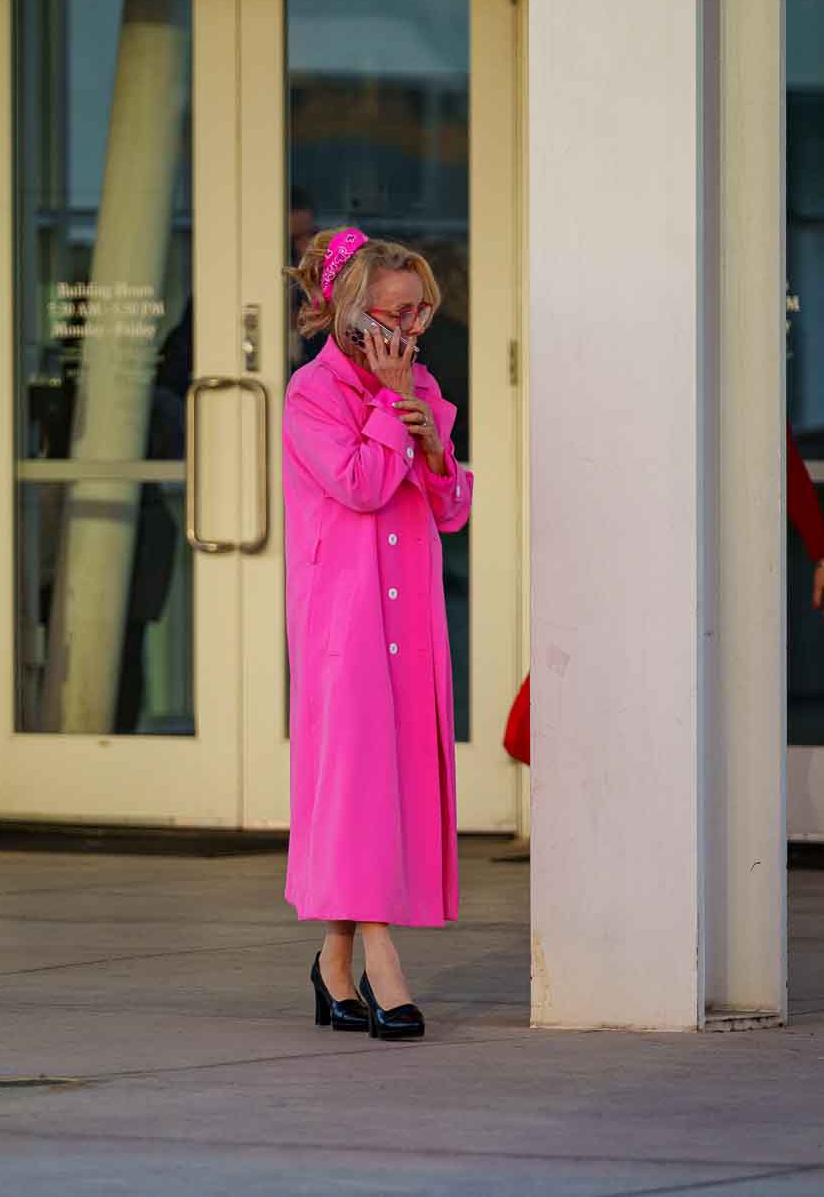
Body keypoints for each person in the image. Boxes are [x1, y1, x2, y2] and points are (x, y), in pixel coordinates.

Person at [282, 226, 472, 1041]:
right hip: (346, 621)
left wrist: (433, 450)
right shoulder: (309, 395)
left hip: (412, 616)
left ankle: (332, 964)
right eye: (397, 311)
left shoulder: (420, 383)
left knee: (387, 787)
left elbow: (452, 508)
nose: (410, 329)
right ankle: (383, 966)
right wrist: (397, 420)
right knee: (358, 785)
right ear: (352, 313)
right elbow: (358, 485)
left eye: (420, 311)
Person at [501, 423, 824, 762]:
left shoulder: (745, 390)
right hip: (628, 558)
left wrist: (823, 556)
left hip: (703, 573)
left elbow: (783, 463)